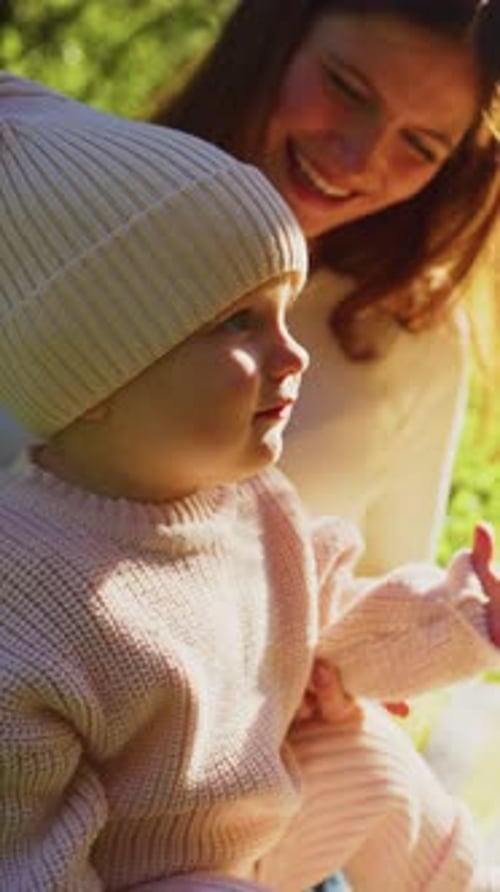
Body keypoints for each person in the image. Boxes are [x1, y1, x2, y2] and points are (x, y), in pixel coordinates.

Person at [2, 74, 500, 892]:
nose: (293, 353)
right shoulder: (24, 593)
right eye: (239, 322)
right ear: (95, 376)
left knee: (368, 756)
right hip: (137, 874)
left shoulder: (249, 506)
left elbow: (330, 637)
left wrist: (464, 612)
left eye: (283, 312)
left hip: (257, 838)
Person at [152, 0, 500, 575]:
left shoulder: (408, 332)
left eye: (419, 146)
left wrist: (447, 625)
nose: (358, 158)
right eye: (346, 88)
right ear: (275, 33)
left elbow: (383, 588)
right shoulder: (59, 199)